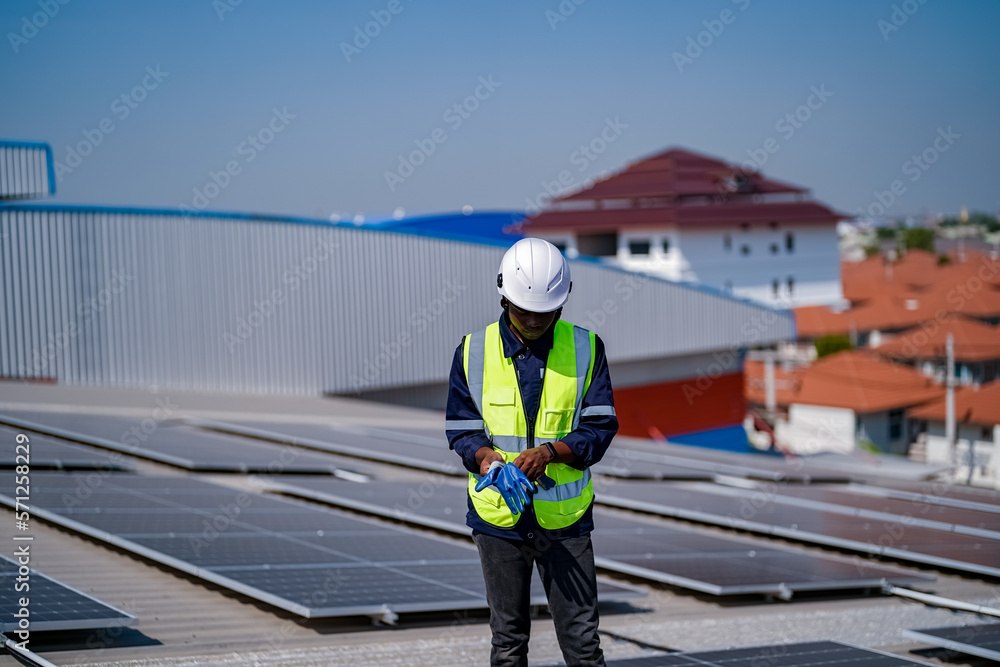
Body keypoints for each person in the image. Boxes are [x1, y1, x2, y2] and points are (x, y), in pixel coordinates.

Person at [445, 237, 618, 667]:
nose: (535, 320)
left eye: (546, 312)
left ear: (563, 303)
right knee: (508, 644)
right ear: (503, 295)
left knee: (582, 644)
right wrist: (485, 458)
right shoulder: (472, 352)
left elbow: (600, 428)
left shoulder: (587, 349)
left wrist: (551, 452)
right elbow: (462, 429)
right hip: (498, 519)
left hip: (565, 521)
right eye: (525, 311)